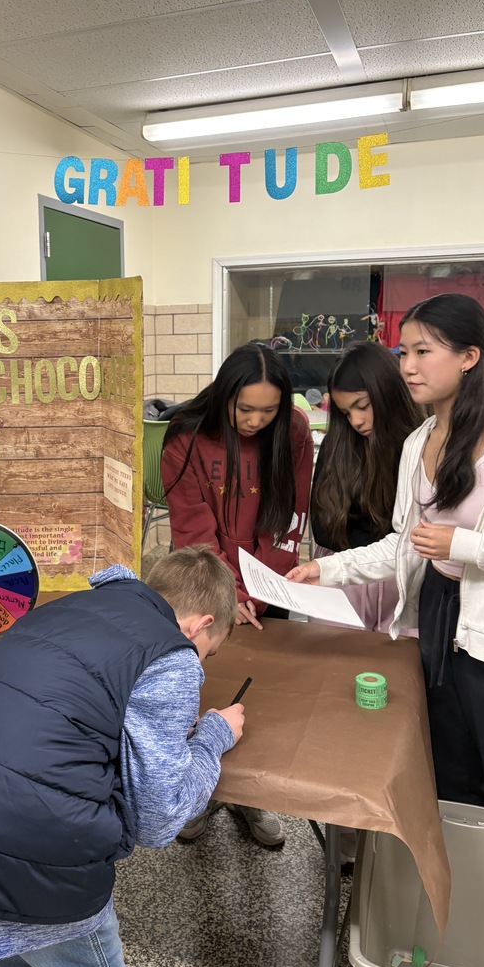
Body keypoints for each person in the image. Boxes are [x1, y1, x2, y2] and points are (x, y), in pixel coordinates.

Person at [0, 546, 243, 967]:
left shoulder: (66, 607)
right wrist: (213, 736)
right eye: (209, 651)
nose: (200, 662)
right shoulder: (172, 656)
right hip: (33, 861)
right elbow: (159, 820)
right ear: (200, 625)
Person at [288, 293, 484, 818]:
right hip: (437, 612)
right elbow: (403, 545)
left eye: (423, 352)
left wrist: (463, 545)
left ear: (470, 357)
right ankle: (453, 886)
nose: (409, 367)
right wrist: (325, 568)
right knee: (447, 768)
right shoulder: (419, 440)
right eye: (403, 353)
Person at [161, 341, 313, 845]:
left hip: (271, 588)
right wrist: (230, 593)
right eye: (244, 409)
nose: (255, 421)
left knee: (262, 696)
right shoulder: (186, 434)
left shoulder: (291, 432)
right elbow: (192, 528)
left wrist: (263, 591)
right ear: (225, 396)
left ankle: (252, 799)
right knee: (204, 689)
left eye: (268, 411)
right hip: (210, 588)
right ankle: (201, 793)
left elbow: (290, 517)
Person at [311, 342, 423, 633]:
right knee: (331, 668)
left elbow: (414, 536)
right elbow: (323, 527)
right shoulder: (337, 446)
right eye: (346, 412)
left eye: (362, 406)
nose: (356, 421)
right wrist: (380, 544)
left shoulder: (421, 445)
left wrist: (378, 546)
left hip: (401, 580)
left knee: (398, 669)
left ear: (388, 392)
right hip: (339, 577)